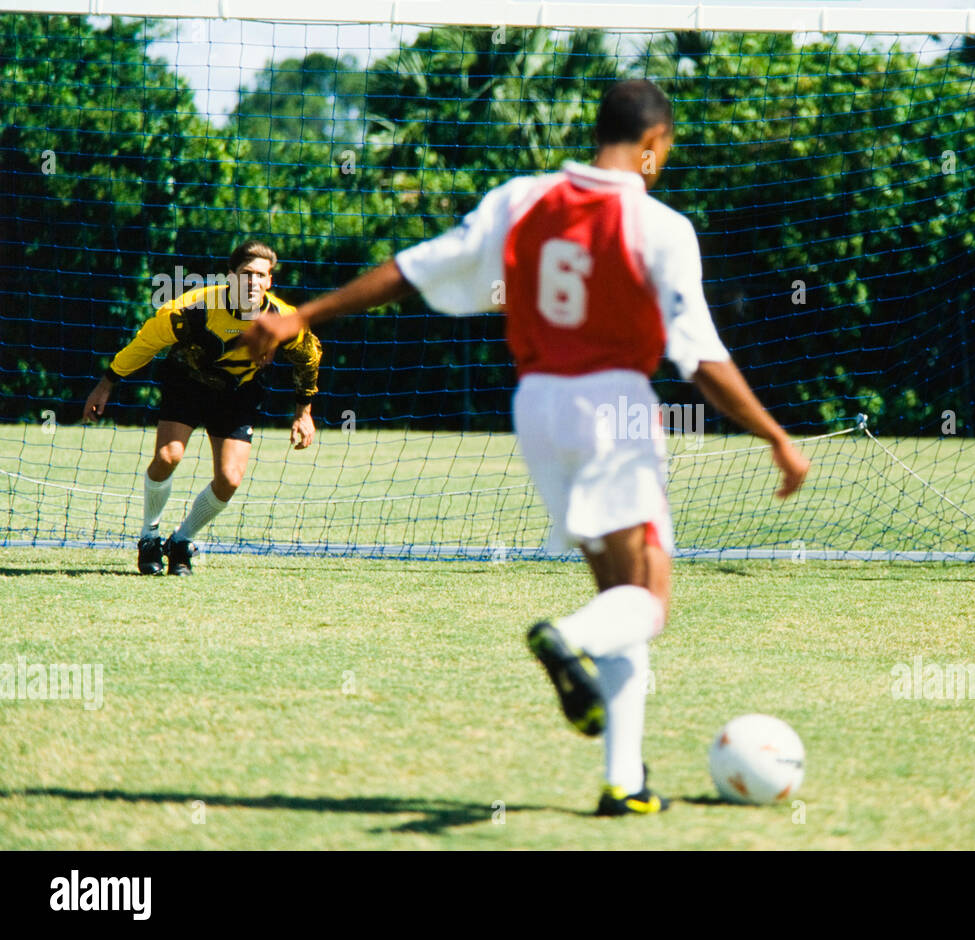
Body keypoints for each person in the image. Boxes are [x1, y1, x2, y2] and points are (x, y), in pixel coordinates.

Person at [239, 80, 809, 814]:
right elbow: (700, 359)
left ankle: (624, 782)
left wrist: (303, 315)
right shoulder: (660, 226)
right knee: (650, 598)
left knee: (618, 595)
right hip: (614, 408)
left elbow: (414, 267)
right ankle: (564, 641)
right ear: (653, 144)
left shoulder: (522, 199)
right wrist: (776, 437)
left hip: (537, 406)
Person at [83, 240, 321, 575]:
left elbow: (308, 358)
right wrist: (106, 383)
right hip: (187, 384)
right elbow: (145, 343)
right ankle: (149, 537)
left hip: (238, 395)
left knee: (229, 479)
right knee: (168, 456)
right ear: (230, 277)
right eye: (245, 274)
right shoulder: (191, 310)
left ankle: (181, 541)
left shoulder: (283, 320)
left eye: (260, 275)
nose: (252, 282)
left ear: (270, 282)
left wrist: (303, 412)